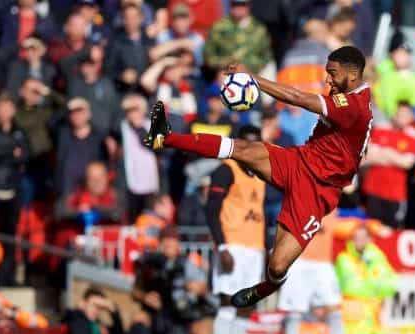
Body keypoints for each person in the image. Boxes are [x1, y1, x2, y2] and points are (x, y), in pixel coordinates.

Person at [144, 46, 372, 310]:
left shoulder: (354, 106)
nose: (327, 80)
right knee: (241, 149)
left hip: (318, 191)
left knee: (277, 264)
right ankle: (165, 137)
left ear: (352, 76)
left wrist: (251, 78)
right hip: (299, 161)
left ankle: (267, 287)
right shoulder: (346, 97)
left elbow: (297, 97)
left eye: (332, 74)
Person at [205, 126, 266, 334]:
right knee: (228, 305)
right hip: (232, 247)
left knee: (245, 309)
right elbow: (211, 210)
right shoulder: (225, 169)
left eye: (256, 144)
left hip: (254, 250)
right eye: (246, 143)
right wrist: (221, 247)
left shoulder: (260, 175)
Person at [278, 210, 360, 334]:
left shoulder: (333, 193)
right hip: (298, 261)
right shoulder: (302, 187)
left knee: (335, 313)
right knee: (294, 315)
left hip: (323, 263)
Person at [132, 226, 216, 334]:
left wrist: (197, 288)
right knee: (138, 320)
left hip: (183, 314)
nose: (169, 248)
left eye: (173, 244)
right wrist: (146, 297)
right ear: (160, 244)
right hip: (158, 314)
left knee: (201, 327)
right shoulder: (149, 264)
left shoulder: (187, 264)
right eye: (166, 244)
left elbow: (204, 288)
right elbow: (135, 290)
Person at [0, 91, 29, 286]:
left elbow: (25, 154)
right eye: (1, 107)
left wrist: (3, 149)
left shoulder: (19, 130)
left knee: (10, 236)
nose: (5, 111)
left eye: (9, 107)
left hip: (12, 190)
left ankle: (7, 277)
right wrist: (12, 150)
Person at [335, 223, 398, 334]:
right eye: (356, 238)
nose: (359, 241)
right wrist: (375, 288)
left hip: (375, 328)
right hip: (352, 330)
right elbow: (350, 287)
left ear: (370, 239)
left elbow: (391, 285)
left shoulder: (378, 257)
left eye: (363, 237)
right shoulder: (343, 259)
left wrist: (366, 285)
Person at [361, 102, 415, 227]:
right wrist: (396, 157)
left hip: (396, 193)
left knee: (393, 230)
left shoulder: (413, 136)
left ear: (411, 118)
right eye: (399, 113)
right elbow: (368, 156)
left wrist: (385, 152)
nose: (401, 117)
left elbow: (407, 163)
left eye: (405, 114)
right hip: (373, 188)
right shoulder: (381, 129)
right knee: (373, 227)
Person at [203, 0, 273, 76]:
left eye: (243, 4)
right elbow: (209, 57)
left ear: (249, 6)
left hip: (255, 74)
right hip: (227, 73)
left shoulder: (259, 29)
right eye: (235, 4)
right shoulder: (219, 27)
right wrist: (227, 63)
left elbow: (266, 56)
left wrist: (251, 68)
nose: (239, 8)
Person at [54, 97, 108, 195]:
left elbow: (105, 162)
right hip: (66, 190)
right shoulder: (63, 134)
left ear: (88, 114)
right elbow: (50, 122)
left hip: (90, 191)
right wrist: (66, 106)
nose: (77, 116)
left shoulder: (99, 136)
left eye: (80, 112)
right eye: (73, 113)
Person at [119, 94, 160, 221]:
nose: (133, 114)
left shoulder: (151, 126)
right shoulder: (123, 127)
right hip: (129, 182)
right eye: (129, 111)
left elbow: (156, 148)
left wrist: (139, 128)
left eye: (135, 110)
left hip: (149, 181)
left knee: (147, 219)